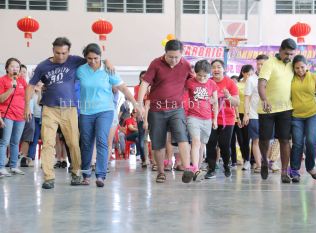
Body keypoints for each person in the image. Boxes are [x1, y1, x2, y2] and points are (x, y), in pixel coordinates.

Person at [24, 37, 114, 189]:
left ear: (69, 52)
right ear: (53, 50)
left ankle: (76, 173)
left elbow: (93, 59)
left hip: (70, 109)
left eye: (64, 53)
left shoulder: (74, 61)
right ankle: (48, 177)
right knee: (48, 143)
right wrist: (27, 105)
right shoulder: (42, 66)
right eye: (58, 53)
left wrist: (107, 61)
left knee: (73, 143)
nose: (61, 56)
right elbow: (31, 85)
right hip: (49, 109)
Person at [77, 43, 139, 187]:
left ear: (101, 57)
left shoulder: (108, 70)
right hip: (86, 111)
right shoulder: (80, 70)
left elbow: (123, 87)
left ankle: (100, 175)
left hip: (105, 111)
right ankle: (86, 175)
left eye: (96, 58)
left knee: (102, 140)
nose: (93, 61)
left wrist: (135, 103)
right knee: (86, 143)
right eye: (89, 58)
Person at [137, 39, 194, 183]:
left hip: (176, 108)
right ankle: (161, 172)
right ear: (165, 53)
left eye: (177, 57)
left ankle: (187, 168)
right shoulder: (156, 63)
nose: (173, 60)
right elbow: (145, 83)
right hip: (157, 109)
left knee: (182, 136)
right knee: (158, 142)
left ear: (182, 54)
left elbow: (193, 82)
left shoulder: (186, 65)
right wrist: (139, 104)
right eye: (170, 57)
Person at [258, 38, 297, 183]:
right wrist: (264, 99)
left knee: (285, 140)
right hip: (267, 109)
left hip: (286, 109)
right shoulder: (269, 63)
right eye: (287, 54)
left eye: (292, 54)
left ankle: (284, 172)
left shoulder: (293, 64)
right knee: (264, 139)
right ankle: (263, 161)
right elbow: (261, 84)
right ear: (280, 50)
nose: (289, 57)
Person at [205, 59, 239, 179]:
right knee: (210, 144)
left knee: (224, 145)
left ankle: (226, 165)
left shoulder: (230, 83)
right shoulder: (207, 82)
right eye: (213, 67)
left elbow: (237, 102)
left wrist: (228, 96)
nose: (216, 69)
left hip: (227, 120)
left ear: (224, 69)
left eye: (219, 67)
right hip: (210, 119)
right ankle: (211, 169)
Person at [186, 60, 218, 181]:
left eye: (205, 76)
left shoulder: (212, 84)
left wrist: (214, 119)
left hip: (207, 118)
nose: (201, 78)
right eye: (199, 75)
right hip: (193, 116)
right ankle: (194, 168)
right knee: (195, 142)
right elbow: (183, 97)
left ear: (209, 74)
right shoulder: (189, 82)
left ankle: (197, 168)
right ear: (195, 73)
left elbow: (215, 103)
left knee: (201, 145)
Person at [0, 58, 27, 176]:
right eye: (12, 66)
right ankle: (1, 167)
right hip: (7, 114)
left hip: (20, 115)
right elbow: (1, 99)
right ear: (6, 68)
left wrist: (27, 109)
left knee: (16, 142)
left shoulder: (22, 80)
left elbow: (27, 97)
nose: (15, 69)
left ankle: (13, 166)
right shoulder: (2, 81)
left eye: (17, 67)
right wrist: (12, 87)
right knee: (4, 141)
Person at [242, 64, 262, 173]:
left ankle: (267, 162)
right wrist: (246, 114)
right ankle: (259, 165)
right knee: (256, 140)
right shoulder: (251, 80)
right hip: (254, 115)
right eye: (258, 64)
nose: (260, 66)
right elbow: (247, 98)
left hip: (268, 115)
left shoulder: (272, 78)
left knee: (267, 141)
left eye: (263, 64)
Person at [236, 65, 252, 171]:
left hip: (250, 114)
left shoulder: (254, 84)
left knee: (248, 138)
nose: (250, 76)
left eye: (252, 74)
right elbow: (235, 103)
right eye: (248, 74)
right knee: (240, 139)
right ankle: (245, 157)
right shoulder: (237, 85)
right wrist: (237, 117)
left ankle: (249, 160)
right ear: (243, 73)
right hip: (239, 114)